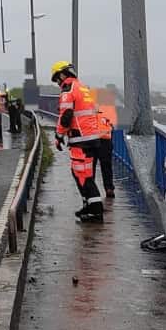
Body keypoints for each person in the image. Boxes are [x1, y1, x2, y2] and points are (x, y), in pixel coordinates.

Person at [51, 60, 114, 220]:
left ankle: (95, 211)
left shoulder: (68, 89)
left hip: (81, 139)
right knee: (84, 173)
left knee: (82, 175)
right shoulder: (83, 88)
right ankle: (89, 206)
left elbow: (66, 116)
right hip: (93, 138)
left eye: (57, 78)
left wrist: (59, 136)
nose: (58, 83)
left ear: (63, 74)